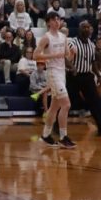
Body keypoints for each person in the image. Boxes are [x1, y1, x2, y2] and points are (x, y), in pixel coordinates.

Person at [35, 11, 76, 149]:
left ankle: (45, 135)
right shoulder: (46, 38)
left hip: (61, 72)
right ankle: (63, 137)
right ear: (48, 22)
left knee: (54, 107)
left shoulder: (63, 37)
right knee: (67, 105)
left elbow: (66, 57)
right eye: (54, 19)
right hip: (52, 72)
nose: (57, 21)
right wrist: (54, 55)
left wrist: (72, 54)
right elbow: (35, 55)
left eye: (58, 19)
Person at [67, 20, 101, 137]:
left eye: (88, 27)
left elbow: (93, 62)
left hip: (87, 76)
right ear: (79, 29)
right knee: (66, 102)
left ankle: (100, 126)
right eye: (84, 27)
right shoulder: (72, 43)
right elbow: (65, 58)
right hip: (74, 76)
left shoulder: (92, 45)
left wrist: (98, 74)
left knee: (95, 102)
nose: (86, 29)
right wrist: (72, 67)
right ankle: (56, 125)